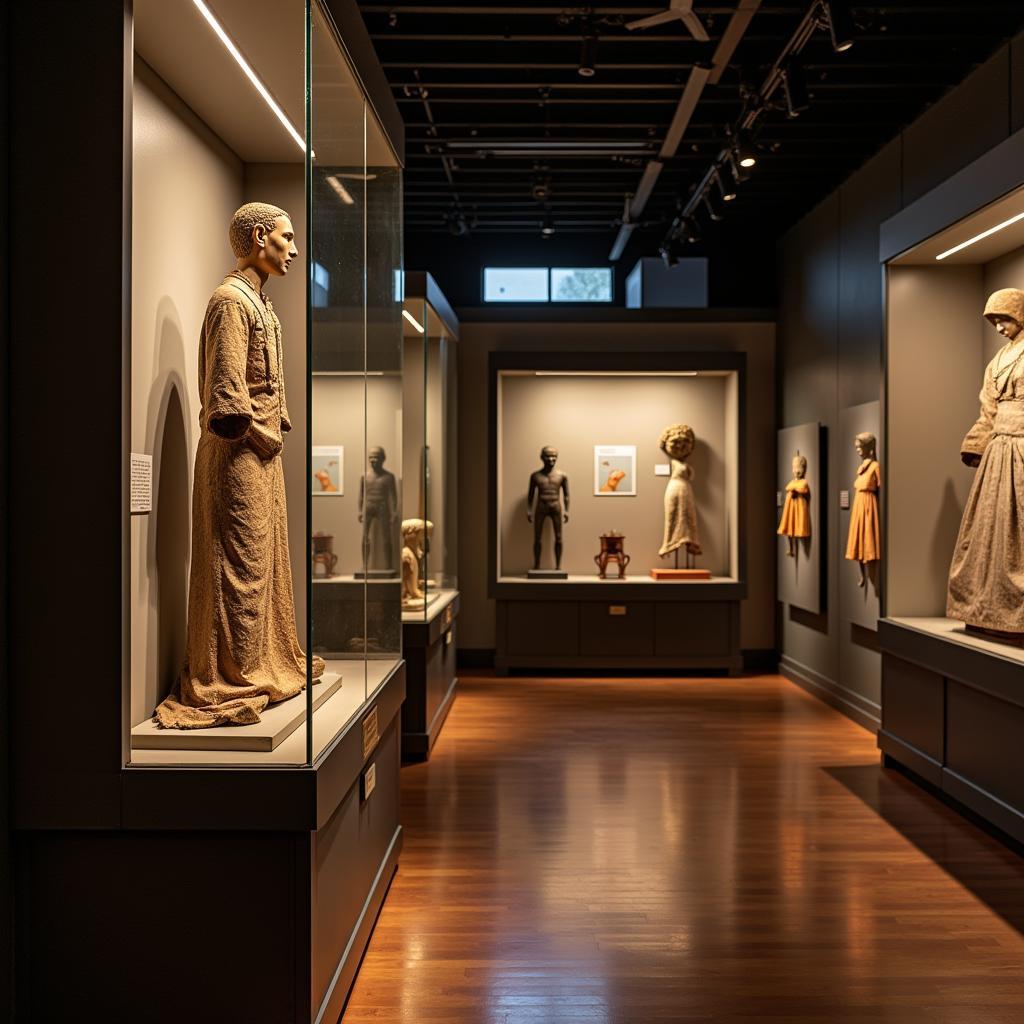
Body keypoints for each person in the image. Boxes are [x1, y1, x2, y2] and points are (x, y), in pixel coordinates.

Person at [156, 202, 323, 729]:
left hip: (261, 454)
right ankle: (233, 672)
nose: (293, 250)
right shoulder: (231, 303)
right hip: (238, 456)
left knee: (266, 561)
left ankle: (263, 660)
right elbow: (226, 401)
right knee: (240, 568)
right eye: (286, 238)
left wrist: (271, 432)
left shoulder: (260, 305)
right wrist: (262, 432)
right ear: (258, 237)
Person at [948, 288, 1024, 639]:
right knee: (987, 530)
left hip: (1022, 450)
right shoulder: (996, 362)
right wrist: (978, 444)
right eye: (994, 321)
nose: (998, 328)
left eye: (1004, 319)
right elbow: (988, 409)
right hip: (998, 454)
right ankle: (984, 609)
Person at [844, 433, 880, 587]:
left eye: (860, 447)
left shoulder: (875, 466)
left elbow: (880, 485)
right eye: (857, 447)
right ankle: (862, 575)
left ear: (869, 448)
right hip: (858, 505)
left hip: (868, 506)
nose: (858, 450)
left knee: (867, 538)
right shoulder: (861, 468)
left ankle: (870, 574)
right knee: (857, 538)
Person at [527, 446, 570, 570]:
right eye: (548, 456)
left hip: (555, 505)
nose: (551, 459)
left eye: (554, 456)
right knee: (537, 537)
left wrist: (567, 510)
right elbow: (530, 495)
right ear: (542, 457)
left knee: (559, 537)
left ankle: (558, 567)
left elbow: (566, 495)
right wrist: (529, 510)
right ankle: (537, 565)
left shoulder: (562, 476)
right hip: (541, 506)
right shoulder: (535, 476)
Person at [777, 452, 811, 558]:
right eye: (795, 467)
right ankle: (791, 548)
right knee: (789, 527)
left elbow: (803, 488)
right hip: (790, 508)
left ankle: (794, 548)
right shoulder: (792, 482)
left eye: (799, 467)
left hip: (799, 508)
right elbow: (789, 487)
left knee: (797, 526)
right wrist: (793, 489)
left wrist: (794, 489)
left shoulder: (803, 482)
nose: (797, 470)